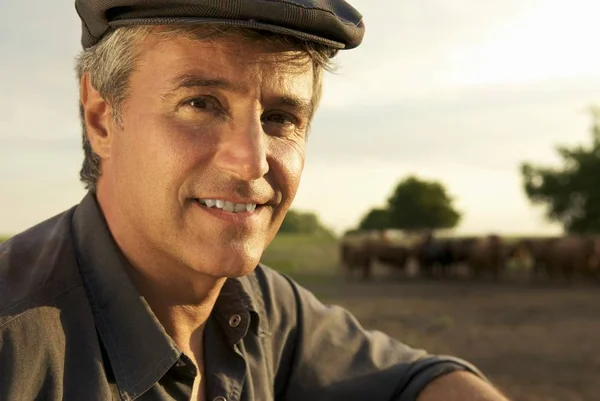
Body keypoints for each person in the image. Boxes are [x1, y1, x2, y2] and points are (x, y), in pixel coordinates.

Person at [0, 1, 510, 400]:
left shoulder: (261, 308)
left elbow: (413, 379)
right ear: (100, 117)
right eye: (200, 104)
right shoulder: (14, 352)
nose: (252, 162)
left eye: (282, 118)